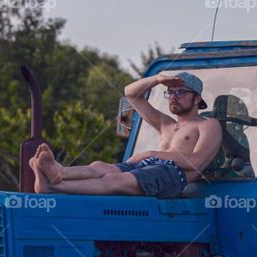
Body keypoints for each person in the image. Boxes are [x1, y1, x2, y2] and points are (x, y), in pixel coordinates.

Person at [30, 71, 222, 198]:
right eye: (170, 92)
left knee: (112, 180)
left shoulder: (208, 125)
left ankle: (52, 188)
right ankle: (59, 172)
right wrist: (157, 79)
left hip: (172, 175)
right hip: (144, 166)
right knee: (100, 166)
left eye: (180, 93)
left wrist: (151, 154)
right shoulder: (166, 124)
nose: (173, 97)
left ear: (197, 99)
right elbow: (131, 94)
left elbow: (196, 162)